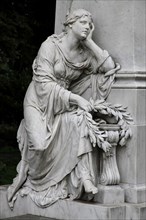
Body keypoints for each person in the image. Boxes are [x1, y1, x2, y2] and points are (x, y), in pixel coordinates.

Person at [7, 9, 120, 208]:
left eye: (89, 24)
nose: (87, 26)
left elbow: (109, 67)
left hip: (60, 104)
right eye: (83, 22)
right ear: (70, 24)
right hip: (38, 102)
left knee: (78, 120)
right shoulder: (50, 46)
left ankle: (84, 177)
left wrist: (90, 42)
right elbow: (43, 83)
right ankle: (31, 152)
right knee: (40, 146)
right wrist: (76, 99)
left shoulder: (84, 54)